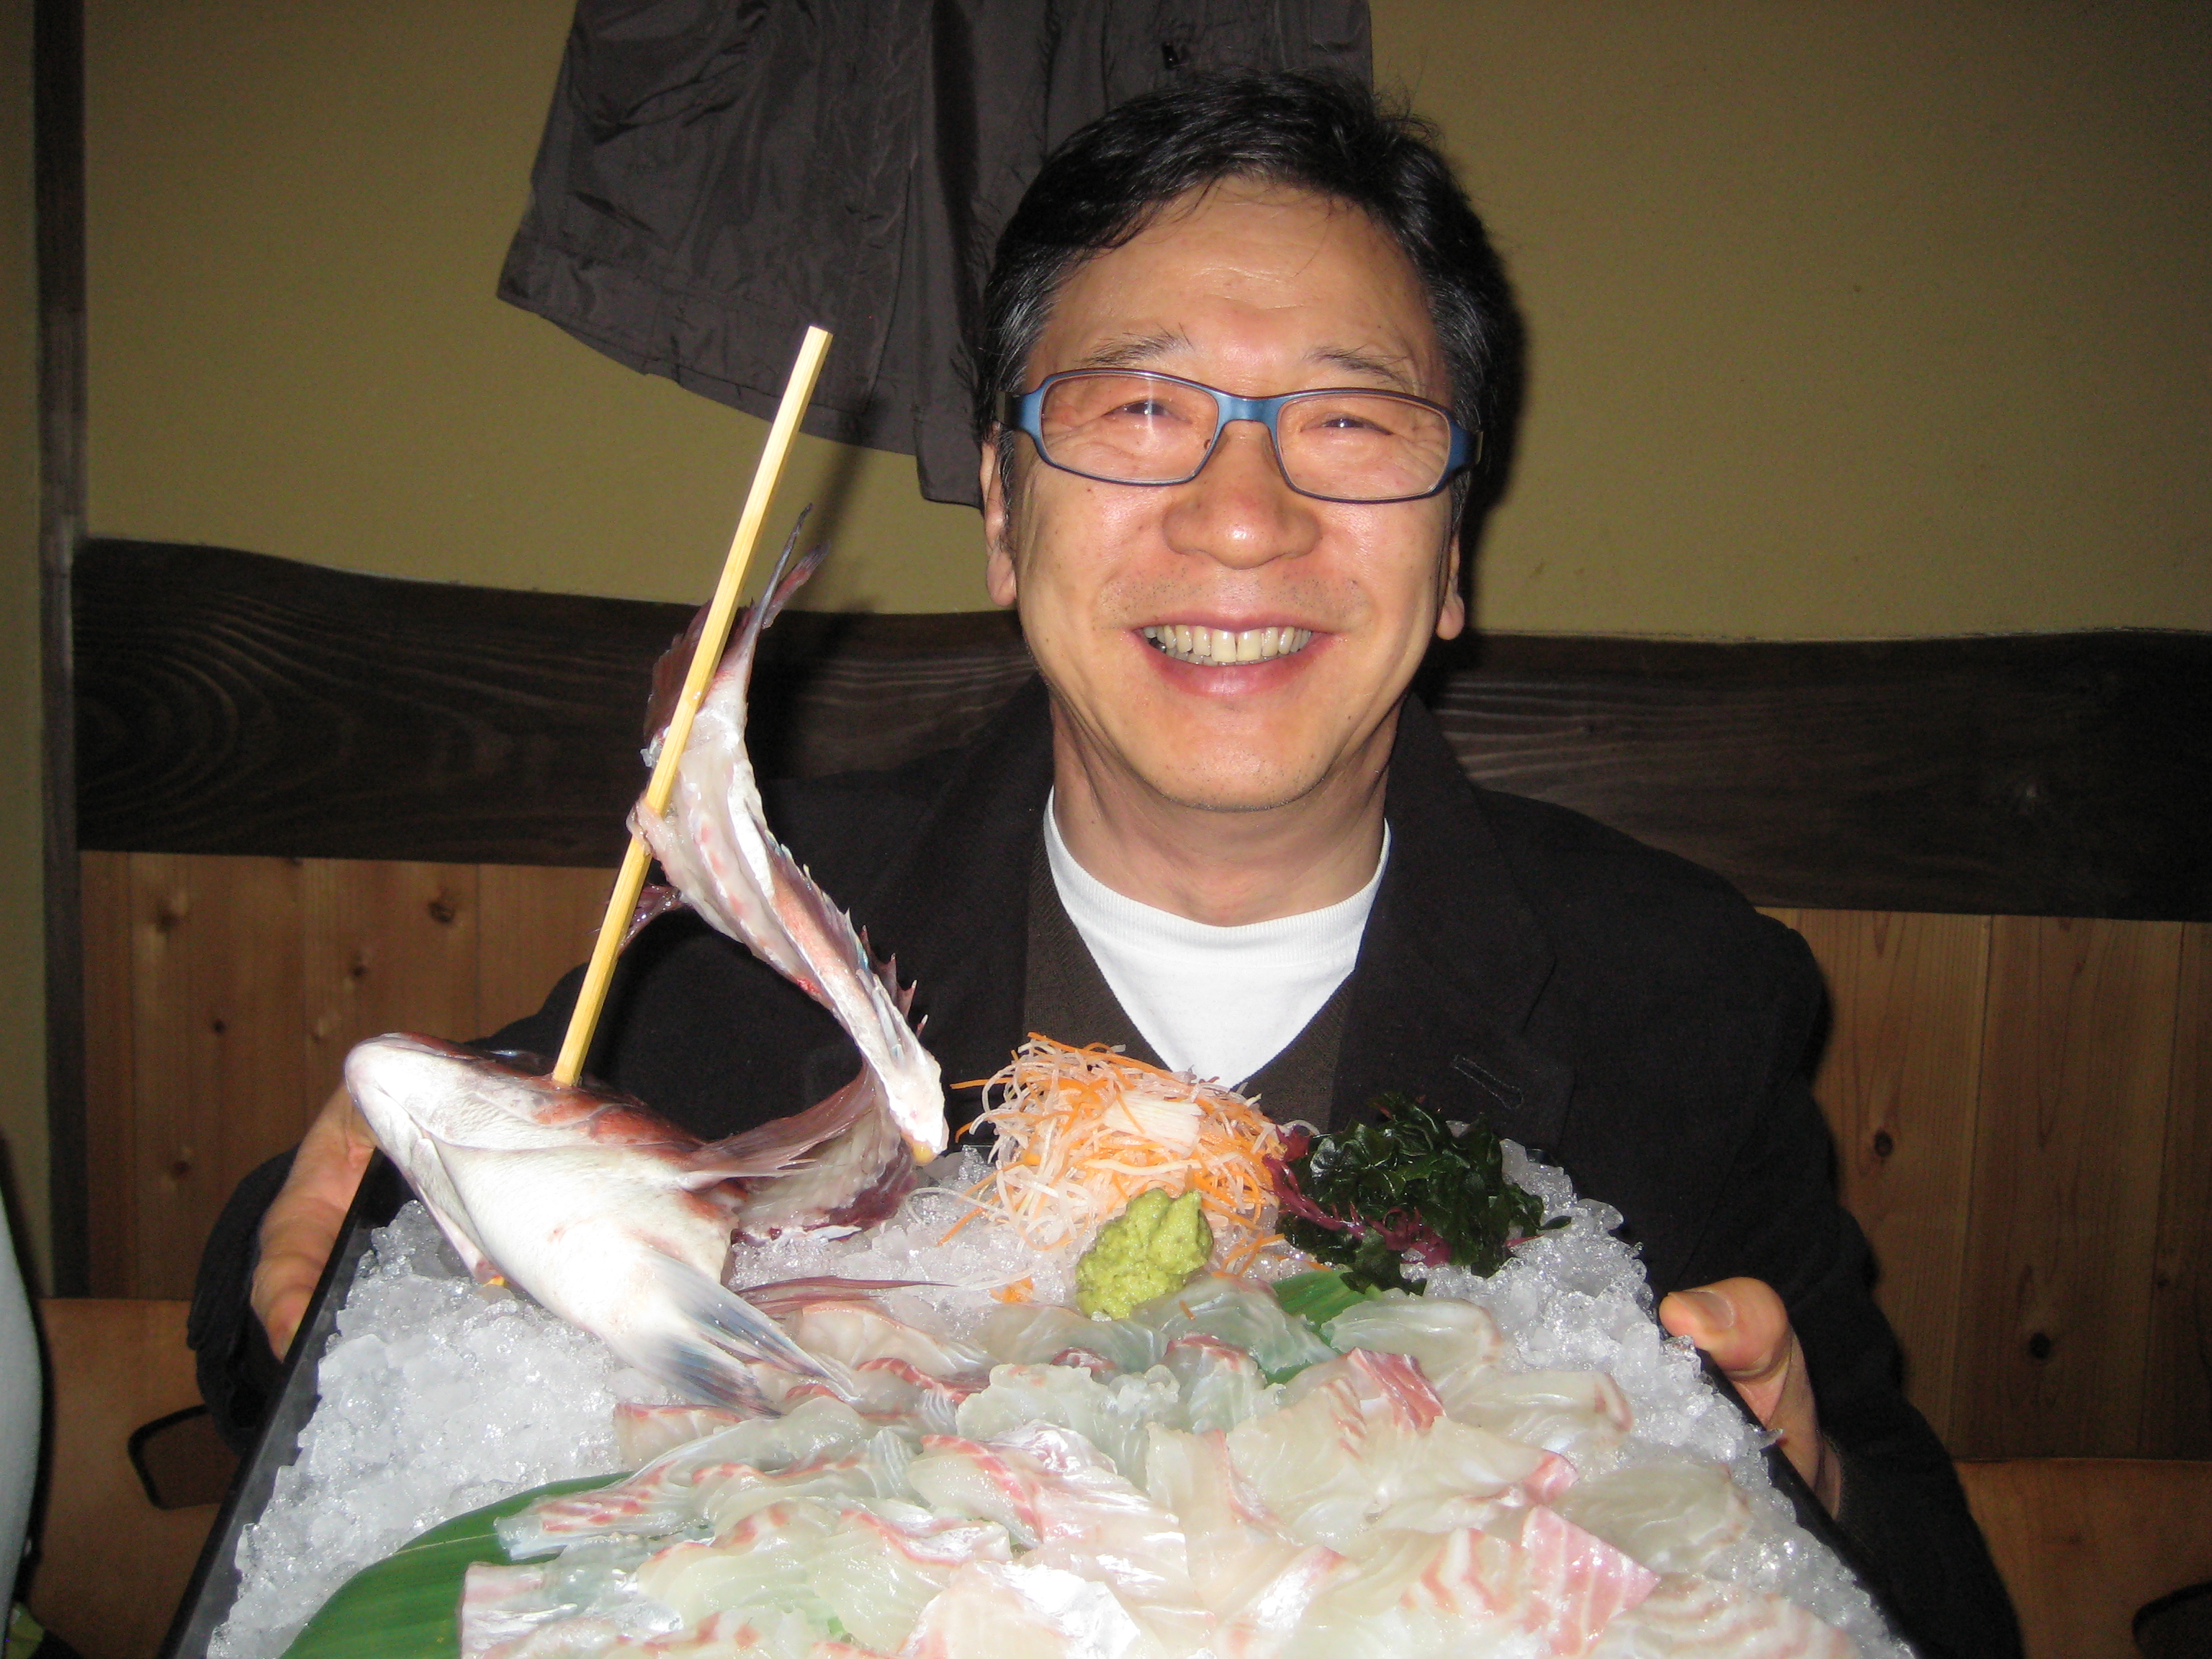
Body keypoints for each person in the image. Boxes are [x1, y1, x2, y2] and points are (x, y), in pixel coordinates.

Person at [195, 71, 2018, 1657]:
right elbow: (335, 1300)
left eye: (1351, 424)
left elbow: (1939, 1592)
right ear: (1003, 517)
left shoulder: (1677, 994)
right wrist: (319, 1265)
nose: (1243, 517)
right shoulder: (745, 942)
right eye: (1140, 412)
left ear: (1454, 550)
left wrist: (1797, 1483)